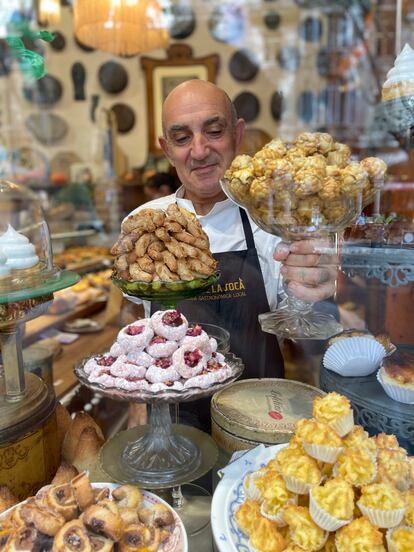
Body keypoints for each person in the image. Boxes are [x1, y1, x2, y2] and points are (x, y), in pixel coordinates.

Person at [127, 80, 335, 429]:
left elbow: (309, 335)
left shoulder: (275, 224)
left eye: (213, 130)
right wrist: (136, 405)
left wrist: (319, 287)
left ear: (238, 135)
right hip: (175, 425)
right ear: (166, 149)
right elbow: (136, 320)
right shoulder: (143, 224)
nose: (199, 150)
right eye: (181, 138)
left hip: (261, 422)